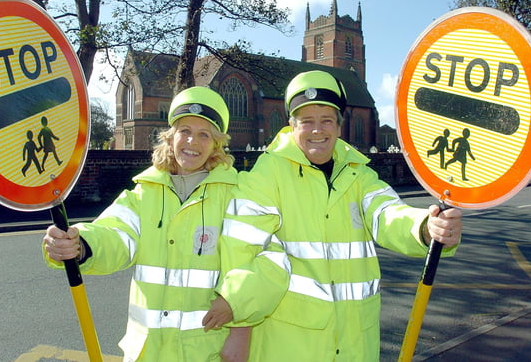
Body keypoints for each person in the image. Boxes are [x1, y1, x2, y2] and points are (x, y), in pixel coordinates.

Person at [203, 70, 463, 361]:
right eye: (307, 121)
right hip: (291, 344)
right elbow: (241, 248)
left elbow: (387, 213)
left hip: (355, 343)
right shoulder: (267, 174)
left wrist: (425, 227)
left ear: (339, 127)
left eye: (326, 120)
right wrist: (237, 306)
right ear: (291, 125)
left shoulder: (359, 174)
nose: (318, 130)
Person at [43, 86, 248, 362]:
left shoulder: (236, 197)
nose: (192, 141)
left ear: (216, 144)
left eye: (204, 135)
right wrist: (82, 244)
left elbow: (252, 263)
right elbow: (115, 233)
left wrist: (237, 306)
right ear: (170, 137)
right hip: (147, 353)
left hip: (205, 352)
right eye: (184, 130)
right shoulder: (144, 193)